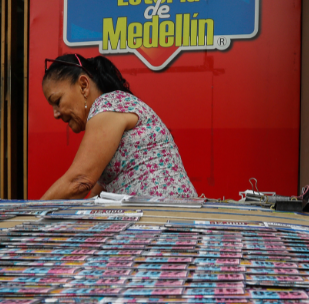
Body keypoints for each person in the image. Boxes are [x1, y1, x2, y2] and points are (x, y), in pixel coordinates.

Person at [37, 54, 197, 200]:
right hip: (165, 215)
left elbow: (79, 181)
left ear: (84, 85)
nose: (55, 114)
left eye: (57, 101)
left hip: (164, 216)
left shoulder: (107, 105)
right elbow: (93, 196)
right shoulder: (113, 108)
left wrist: (30, 215)